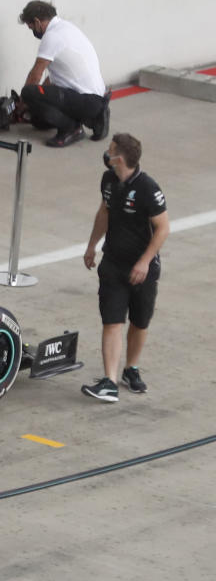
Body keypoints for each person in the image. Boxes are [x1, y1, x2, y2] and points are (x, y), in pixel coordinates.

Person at [82, 133, 169, 402]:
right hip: (113, 264)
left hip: (142, 269)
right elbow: (104, 213)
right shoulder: (108, 180)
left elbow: (163, 228)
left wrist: (144, 262)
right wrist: (91, 245)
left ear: (119, 158)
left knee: (139, 322)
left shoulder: (147, 189)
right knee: (112, 320)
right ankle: (109, 381)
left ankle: (131, 368)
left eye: (110, 151)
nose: (106, 154)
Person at [19, 0, 110, 148]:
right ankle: (96, 116)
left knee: (28, 92)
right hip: (96, 97)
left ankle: (72, 129)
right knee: (37, 120)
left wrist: (23, 102)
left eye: (31, 28)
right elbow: (55, 77)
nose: (33, 32)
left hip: (86, 100)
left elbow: (35, 75)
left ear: (37, 22)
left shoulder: (52, 36)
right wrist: (37, 100)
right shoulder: (67, 28)